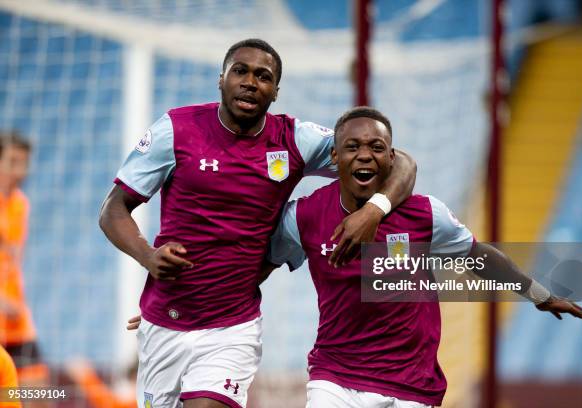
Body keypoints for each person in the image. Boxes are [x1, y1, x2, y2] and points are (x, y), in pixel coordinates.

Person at [99, 39, 417, 408]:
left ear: (276, 91)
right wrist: (148, 256)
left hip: (232, 328)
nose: (251, 82)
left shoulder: (295, 140)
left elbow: (401, 163)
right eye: (240, 71)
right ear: (221, 79)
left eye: (263, 76)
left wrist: (374, 209)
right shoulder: (176, 129)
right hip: (164, 321)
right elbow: (112, 209)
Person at [265, 106, 582, 408]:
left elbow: (477, 256)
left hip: (411, 384)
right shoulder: (305, 216)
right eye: (353, 147)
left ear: (392, 158)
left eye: (376, 148)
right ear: (335, 156)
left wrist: (539, 295)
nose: (365, 155)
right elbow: (260, 262)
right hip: (337, 380)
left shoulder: (425, 214)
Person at [0, 132, 48, 388]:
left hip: (16, 318)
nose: (20, 171)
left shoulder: (20, 204)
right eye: (12, 162)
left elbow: (14, 260)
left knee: (41, 394)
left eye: (24, 163)